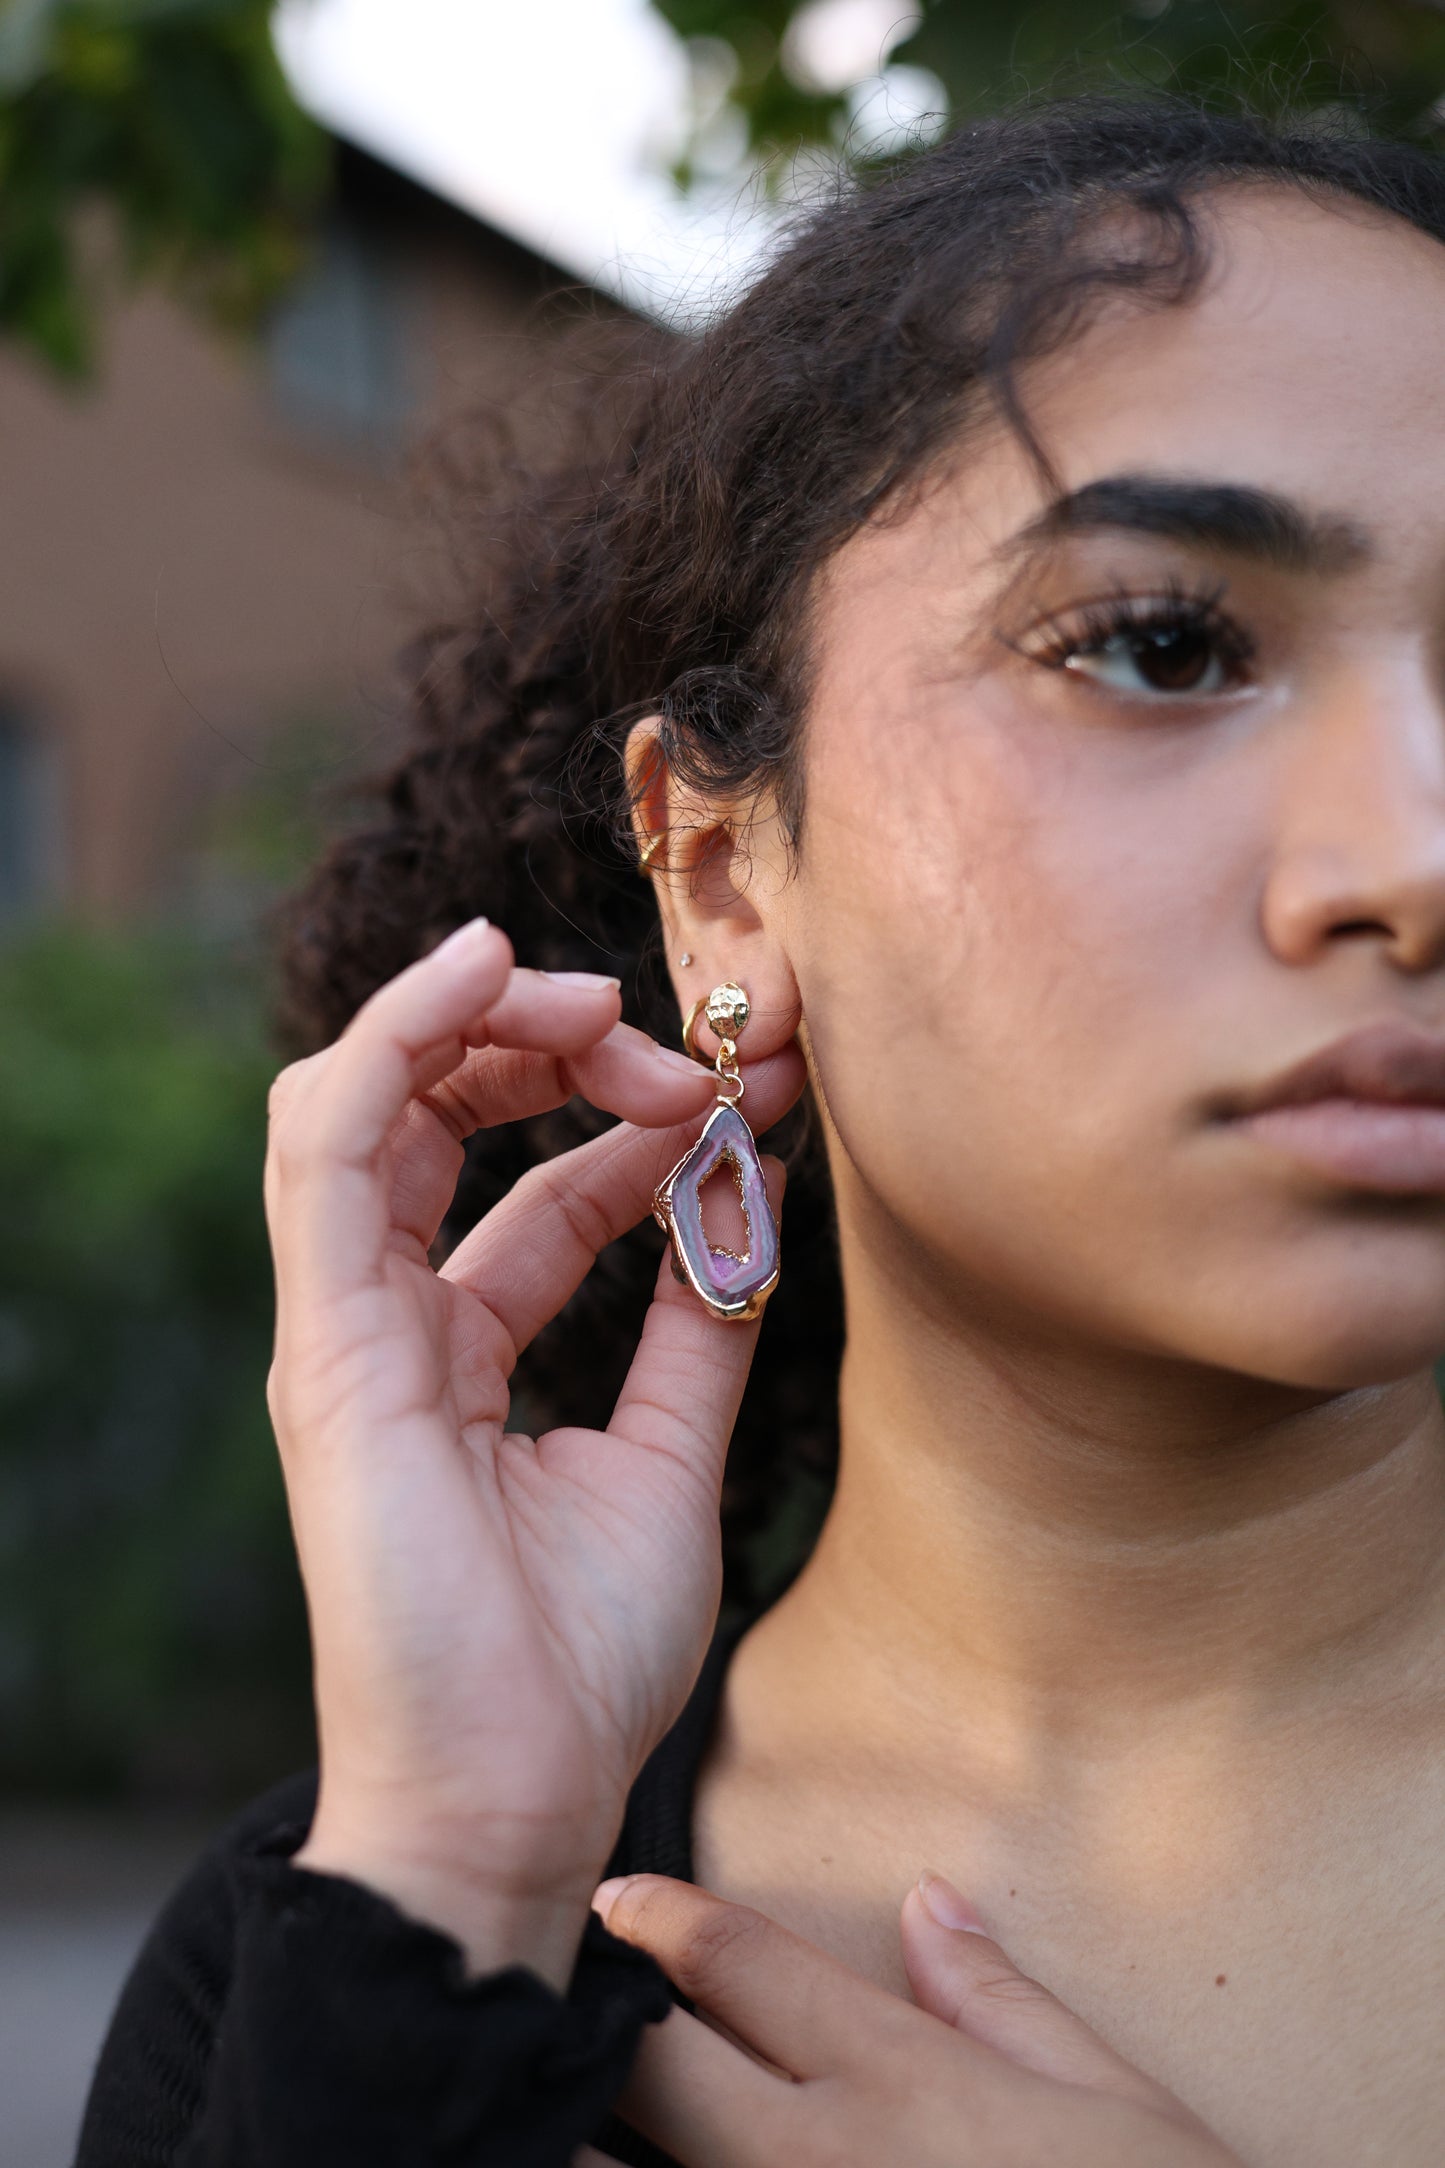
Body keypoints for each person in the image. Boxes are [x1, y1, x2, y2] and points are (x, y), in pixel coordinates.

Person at [79, 91, 1445, 2167]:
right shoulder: (346, 1961)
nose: (1416, 853)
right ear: (721, 873)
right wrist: (448, 1883)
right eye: (1164, 646)